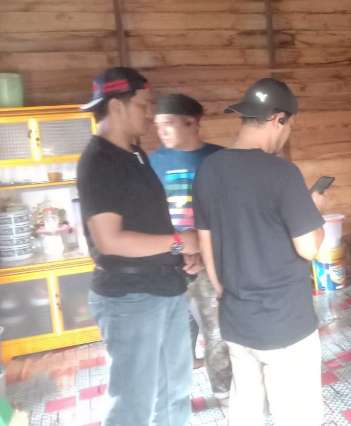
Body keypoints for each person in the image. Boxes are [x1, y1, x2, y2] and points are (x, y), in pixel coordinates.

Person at [193, 78, 326, 426]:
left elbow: (205, 240)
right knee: (295, 417)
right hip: (285, 324)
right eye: (289, 125)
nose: (287, 133)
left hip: (237, 321)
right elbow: (309, 248)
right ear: (278, 119)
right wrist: (316, 215)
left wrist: (222, 290)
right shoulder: (282, 173)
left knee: (246, 410)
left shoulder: (209, 170)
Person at [77, 67, 200, 425]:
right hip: (130, 299)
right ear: (117, 106)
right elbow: (110, 240)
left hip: (164, 287)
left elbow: (147, 222)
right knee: (133, 406)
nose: (148, 115)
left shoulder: (135, 153)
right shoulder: (99, 161)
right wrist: (179, 241)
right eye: (143, 105)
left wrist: (180, 254)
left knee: (175, 392)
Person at [150, 93, 232, 402]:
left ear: (192, 122)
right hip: (170, 260)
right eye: (158, 125)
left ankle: (223, 390)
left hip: (212, 258)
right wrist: (181, 249)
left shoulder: (220, 159)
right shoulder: (153, 162)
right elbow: (150, 216)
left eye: (168, 123)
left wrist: (202, 250)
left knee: (217, 328)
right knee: (176, 330)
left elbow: (229, 212)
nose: (161, 131)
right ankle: (178, 395)